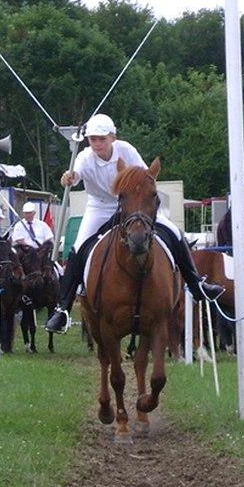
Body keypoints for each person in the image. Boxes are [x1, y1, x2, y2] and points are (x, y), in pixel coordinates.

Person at [45, 113, 223, 334]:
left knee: (176, 234)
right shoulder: (84, 157)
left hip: (131, 205)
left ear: (112, 137)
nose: (98, 144)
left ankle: (196, 285)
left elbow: (146, 175)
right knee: (78, 248)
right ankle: (62, 309)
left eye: (102, 139)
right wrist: (69, 177)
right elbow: (75, 174)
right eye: (93, 139)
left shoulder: (126, 150)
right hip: (99, 207)